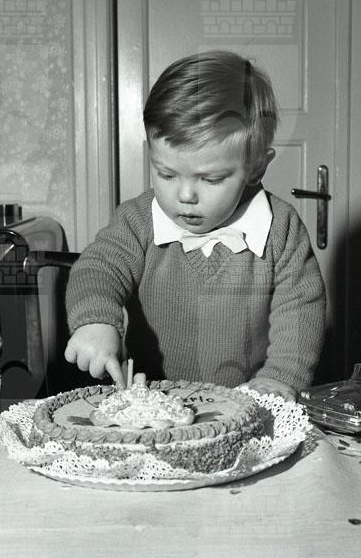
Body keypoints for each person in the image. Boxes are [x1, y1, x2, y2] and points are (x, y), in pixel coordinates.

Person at [64, 50, 325, 400]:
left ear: (257, 167)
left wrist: (280, 377)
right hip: (152, 401)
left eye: (211, 179)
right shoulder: (138, 220)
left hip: (246, 403)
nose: (185, 195)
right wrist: (96, 320)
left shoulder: (282, 229)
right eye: (166, 174)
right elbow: (99, 267)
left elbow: (301, 309)